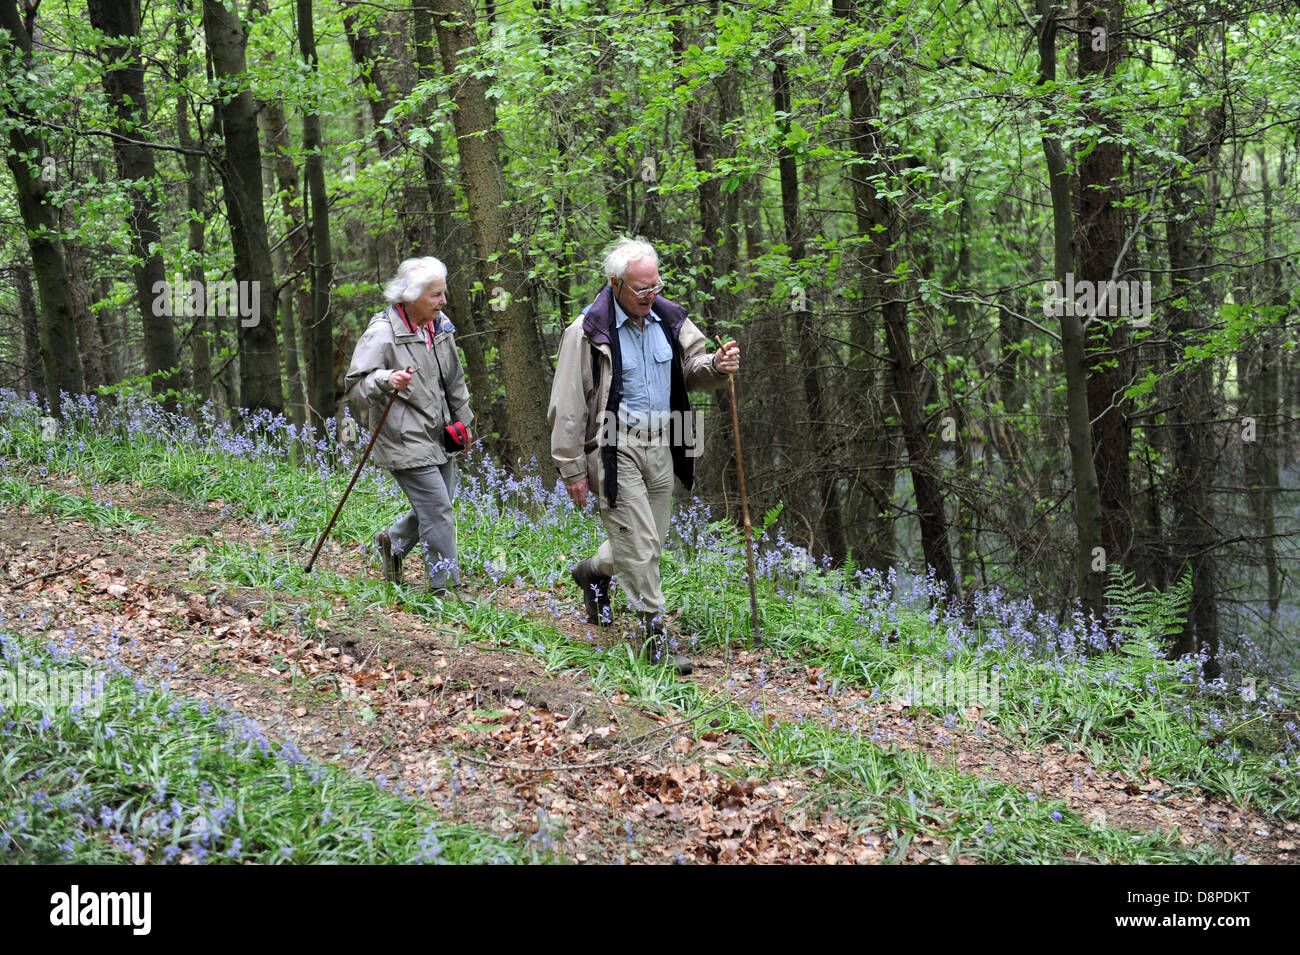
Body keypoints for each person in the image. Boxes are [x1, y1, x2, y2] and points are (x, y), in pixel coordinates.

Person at [548, 237, 740, 673]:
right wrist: (572, 467)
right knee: (641, 545)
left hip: (664, 443)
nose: (650, 295)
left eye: (655, 286)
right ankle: (655, 632)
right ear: (615, 283)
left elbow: (692, 368)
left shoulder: (669, 319)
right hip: (616, 446)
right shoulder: (586, 332)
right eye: (640, 289)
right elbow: (568, 403)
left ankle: (593, 572)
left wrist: (717, 365)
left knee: (647, 541)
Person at [345, 257, 473, 594]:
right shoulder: (383, 333)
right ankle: (445, 590)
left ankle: (394, 543)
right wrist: (387, 379)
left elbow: (455, 380)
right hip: (402, 436)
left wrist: (464, 421)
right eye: (435, 296)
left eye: (442, 294)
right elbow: (357, 386)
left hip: (440, 433)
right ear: (411, 297)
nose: (443, 301)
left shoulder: (439, 325)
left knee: (438, 504)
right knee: (439, 510)